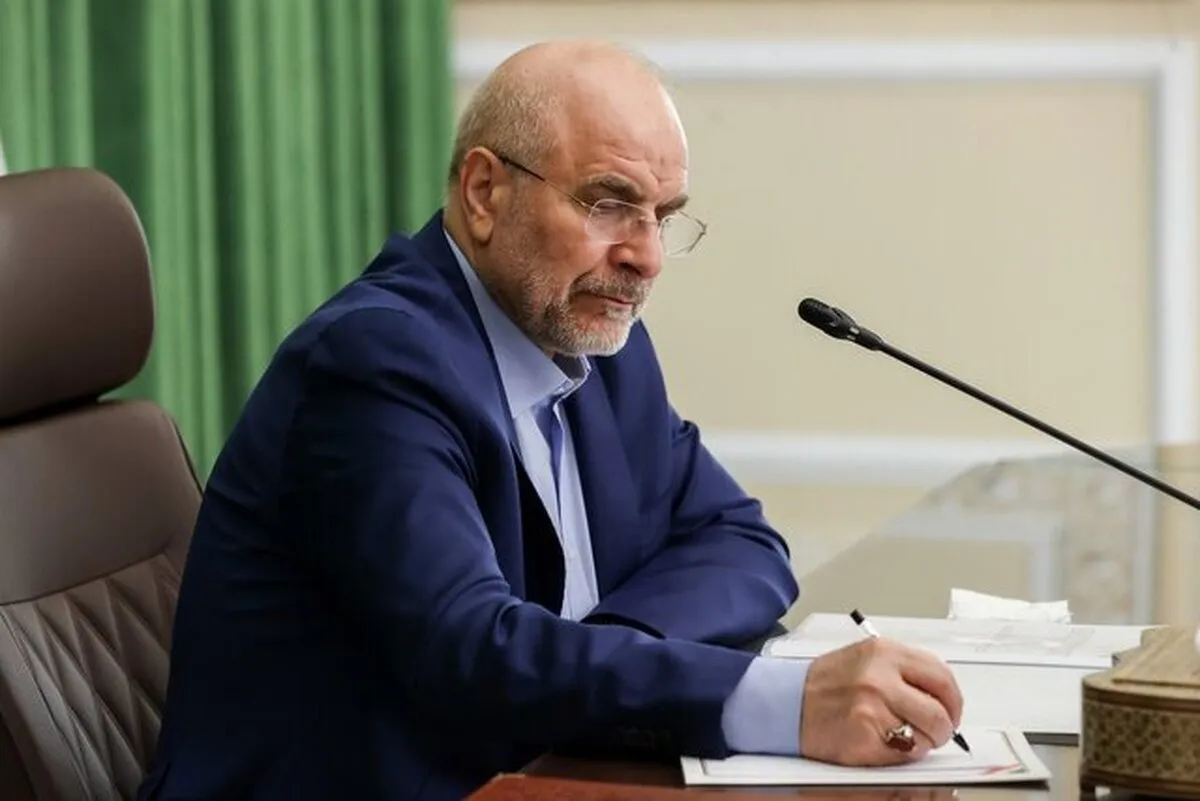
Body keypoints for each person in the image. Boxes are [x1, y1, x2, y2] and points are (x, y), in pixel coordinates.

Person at [138, 39, 963, 801]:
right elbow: (472, 653)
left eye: (663, 215)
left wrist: (602, 656)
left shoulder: (601, 344)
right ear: (484, 192)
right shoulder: (375, 364)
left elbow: (743, 542)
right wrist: (773, 700)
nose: (645, 256)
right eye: (609, 203)